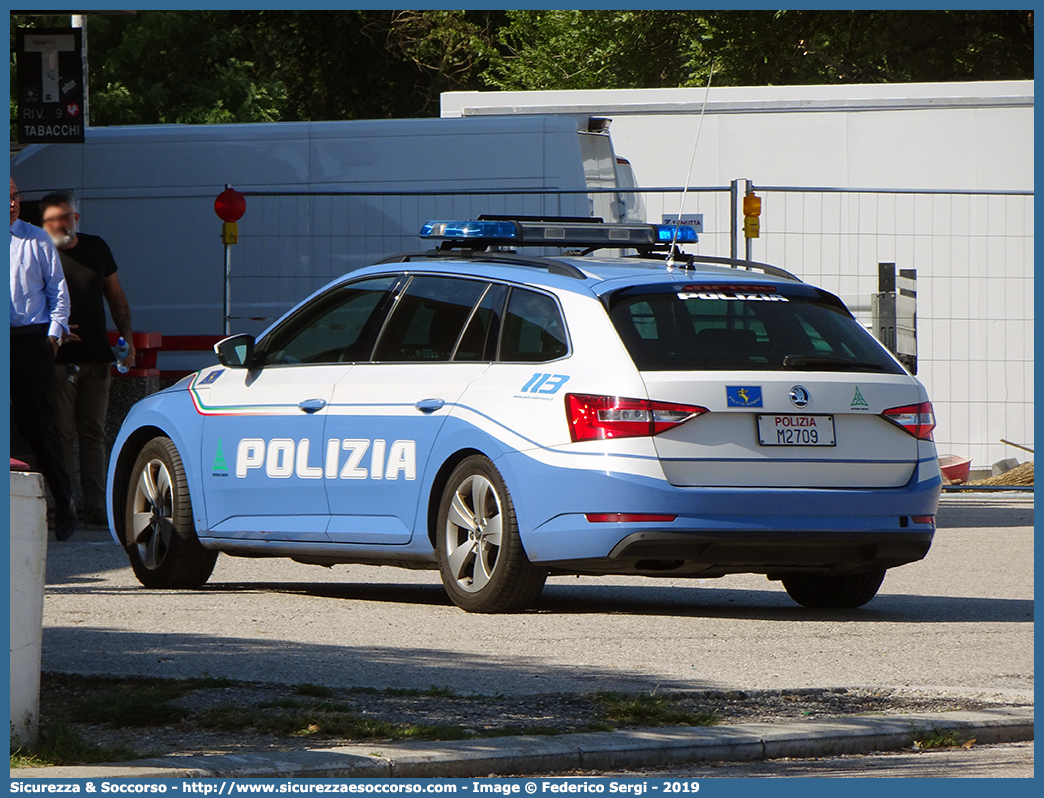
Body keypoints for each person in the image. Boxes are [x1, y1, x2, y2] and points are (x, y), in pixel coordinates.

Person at [39, 191, 135, 528]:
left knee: (93, 433)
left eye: (63, 217)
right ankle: (63, 504)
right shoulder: (38, 252)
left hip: (97, 356)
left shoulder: (96, 248)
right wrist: (52, 331)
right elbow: (22, 302)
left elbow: (116, 296)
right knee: (62, 434)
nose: (57, 224)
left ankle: (96, 506)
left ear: (75, 219)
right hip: (58, 358)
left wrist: (129, 339)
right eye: (50, 220)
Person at [9, 178, 77, 540]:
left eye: (15, 197)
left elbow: (58, 293)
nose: (11, 204)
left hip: (30, 338)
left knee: (39, 425)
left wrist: (53, 335)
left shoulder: (35, 238)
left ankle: (63, 501)